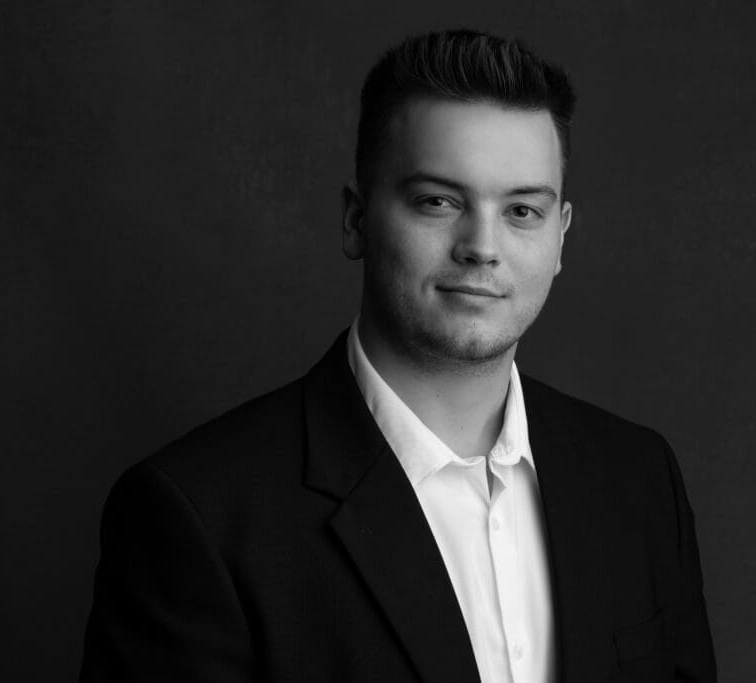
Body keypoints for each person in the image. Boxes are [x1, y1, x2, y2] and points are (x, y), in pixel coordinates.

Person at [79, 29, 716, 682]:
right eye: (438, 201)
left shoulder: (639, 480)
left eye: (523, 210)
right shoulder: (199, 515)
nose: (482, 247)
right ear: (357, 220)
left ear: (561, 238)